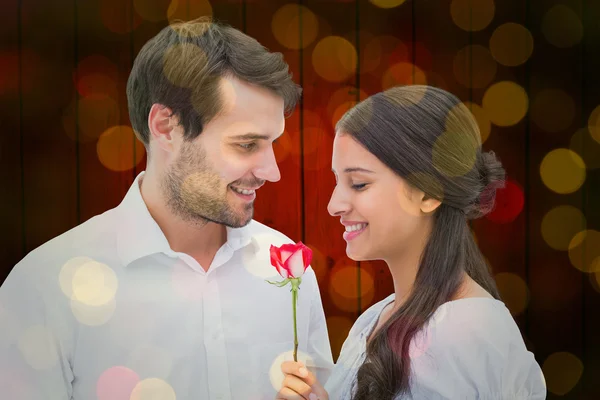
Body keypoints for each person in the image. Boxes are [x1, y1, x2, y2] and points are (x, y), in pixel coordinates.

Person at [0, 18, 333, 399]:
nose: (271, 172)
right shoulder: (44, 290)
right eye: (246, 145)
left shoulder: (289, 270)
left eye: (273, 143)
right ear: (165, 126)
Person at [275, 85, 546, 400]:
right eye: (338, 182)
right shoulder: (376, 319)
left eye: (359, 184)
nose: (334, 205)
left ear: (429, 193)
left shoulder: (464, 333)